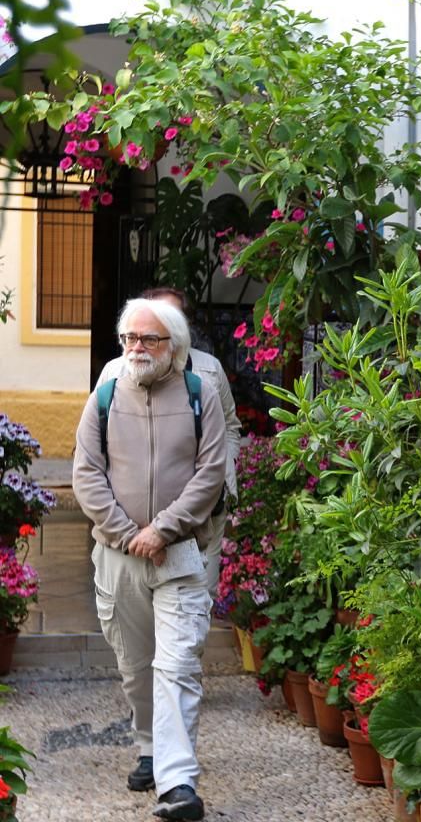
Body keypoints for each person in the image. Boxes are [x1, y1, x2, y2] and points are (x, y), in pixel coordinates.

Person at [74, 297, 225, 821]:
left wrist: (162, 529)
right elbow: (86, 472)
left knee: (177, 664)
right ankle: (148, 745)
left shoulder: (198, 392)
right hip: (118, 555)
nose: (136, 348)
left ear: (173, 346)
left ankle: (178, 782)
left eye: (148, 339)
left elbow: (211, 474)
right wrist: (125, 532)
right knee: (136, 667)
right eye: (130, 339)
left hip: (180, 553)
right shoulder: (107, 391)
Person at [96, 287, 240, 597]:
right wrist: (129, 530)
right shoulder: (114, 374)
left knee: (193, 613)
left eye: (168, 318)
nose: (145, 336)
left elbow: (230, 426)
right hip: (130, 532)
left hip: (199, 521)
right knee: (134, 626)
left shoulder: (208, 372)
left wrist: (224, 473)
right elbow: (94, 449)